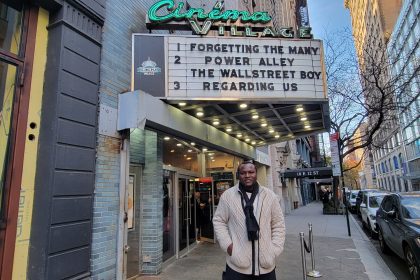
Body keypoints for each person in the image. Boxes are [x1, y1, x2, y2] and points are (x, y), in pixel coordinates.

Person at [213, 160, 285, 279]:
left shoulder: (270, 196)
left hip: (266, 266)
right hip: (237, 265)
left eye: (251, 172)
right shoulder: (227, 196)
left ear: (256, 173)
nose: (247, 176)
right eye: (243, 173)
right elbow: (219, 221)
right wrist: (228, 246)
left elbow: (278, 224)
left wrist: (275, 249)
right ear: (238, 175)